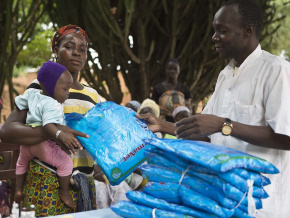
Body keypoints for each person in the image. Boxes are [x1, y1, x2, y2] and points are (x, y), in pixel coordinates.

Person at [136, 1, 290, 217]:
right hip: (222, 200)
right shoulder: (225, 75)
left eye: (222, 31)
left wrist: (223, 125)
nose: (214, 37)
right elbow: (209, 136)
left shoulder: (276, 71)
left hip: (262, 204)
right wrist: (161, 125)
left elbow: (286, 138)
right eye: (214, 30)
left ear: (248, 30)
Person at [0, 25, 102, 216]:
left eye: (82, 50)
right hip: (47, 182)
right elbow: (8, 130)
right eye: (69, 47)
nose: (76, 53)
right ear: (56, 50)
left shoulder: (92, 95)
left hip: (84, 182)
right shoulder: (40, 87)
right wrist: (56, 132)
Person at [14, 61, 86, 208]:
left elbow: (19, 102)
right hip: (42, 145)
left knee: (21, 163)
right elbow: (48, 125)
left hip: (27, 145)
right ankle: (64, 191)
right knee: (65, 163)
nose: (68, 93)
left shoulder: (33, 94)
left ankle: (18, 190)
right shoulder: (52, 104)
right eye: (65, 89)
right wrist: (61, 134)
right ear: (51, 87)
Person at [151, 58, 192, 122]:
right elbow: (154, 107)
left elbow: (189, 107)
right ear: (165, 70)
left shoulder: (184, 88)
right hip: (162, 124)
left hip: (181, 123)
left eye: (175, 69)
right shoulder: (158, 88)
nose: (172, 71)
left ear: (179, 71)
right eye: (169, 69)